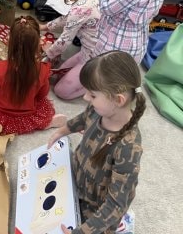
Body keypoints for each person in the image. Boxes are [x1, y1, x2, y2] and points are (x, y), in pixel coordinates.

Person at [48, 51, 145, 234]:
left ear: (118, 100)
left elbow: (115, 204)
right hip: (79, 178)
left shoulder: (128, 148)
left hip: (97, 207)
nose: (85, 98)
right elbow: (83, 118)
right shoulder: (98, 109)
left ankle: (123, 225)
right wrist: (63, 130)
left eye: (92, 95)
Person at [40, 0, 100, 100]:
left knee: (61, 91)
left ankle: (97, 84)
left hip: (95, 59)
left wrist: (48, 53)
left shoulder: (80, 8)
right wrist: (45, 27)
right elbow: (68, 19)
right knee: (59, 73)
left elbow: (64, 41)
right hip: (87, 52)